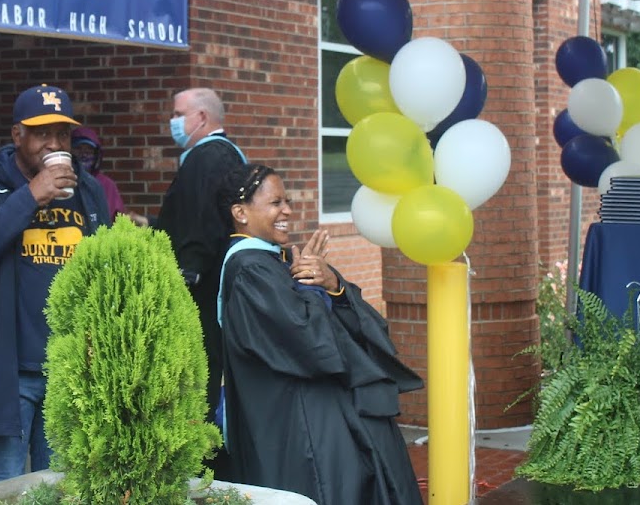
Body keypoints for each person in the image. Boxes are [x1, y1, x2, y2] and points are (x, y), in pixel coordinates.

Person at [215, 163, 424, 505]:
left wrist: (333, 285)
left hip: (313, 411)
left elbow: (343, 325)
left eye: (287, 201)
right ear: (240, 212)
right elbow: (307, 340)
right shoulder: (249, 269)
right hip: (296, 424)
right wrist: (312, 290)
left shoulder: (272, 262)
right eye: (275, 203)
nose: (287, 211)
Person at [0, 84, 112, 486]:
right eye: (42, 133)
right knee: (3, 490)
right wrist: (28, 197)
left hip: (69, 369)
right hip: (10, 373)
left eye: (62, 134)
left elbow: (105, 268)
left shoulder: (86, 190)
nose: (54, 144)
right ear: (17, 135)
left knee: (60, 488)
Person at [154, 88, 247, 439]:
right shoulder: (228, 156)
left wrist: (185, 273)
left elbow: (201, 223)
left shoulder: (205, 158)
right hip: (219, 284)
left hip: (203, 293)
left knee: (201, 380)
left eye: (179, 114)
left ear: (202, 118)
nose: (173, 122)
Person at [70, 126, 148, 226]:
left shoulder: (106, 184)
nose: (84, 155)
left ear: (96, 154)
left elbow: (118, 220)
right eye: (78, 148)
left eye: (88, 150)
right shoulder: (62, 181)